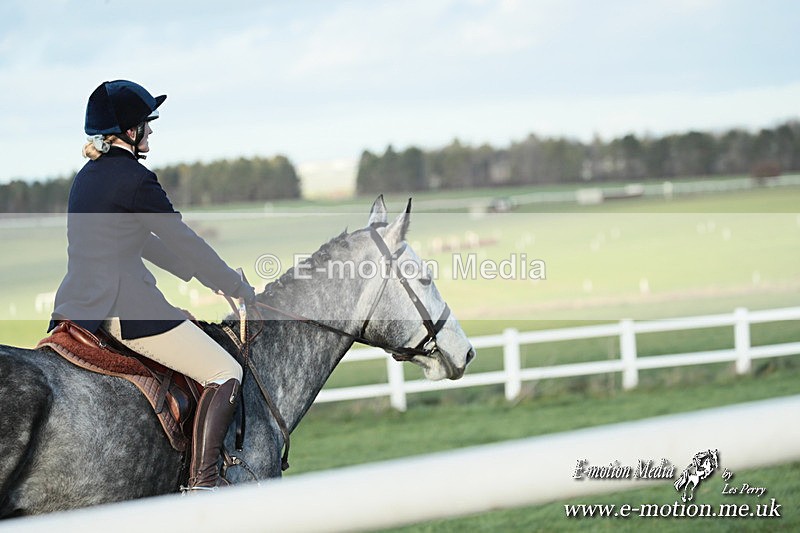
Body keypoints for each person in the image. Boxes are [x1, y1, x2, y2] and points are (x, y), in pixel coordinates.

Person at [49, 79, 256, 491]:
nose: (152, 131)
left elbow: (138, 240)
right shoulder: (135, 178)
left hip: (79, 306)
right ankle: (204, 481)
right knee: (225, 370)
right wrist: (232, 282)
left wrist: (200, 277)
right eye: (147, 123)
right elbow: (181, 237)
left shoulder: (87, 176)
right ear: (131, 131)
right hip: (127, 307)